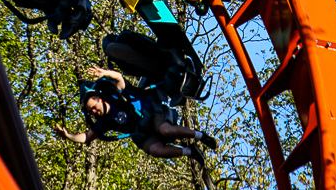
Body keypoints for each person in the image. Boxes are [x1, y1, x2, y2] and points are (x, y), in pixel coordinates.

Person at [54, 66, 216, 166]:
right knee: (155, 150)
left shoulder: (115, 93)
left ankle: (200, 136)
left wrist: (104, 73)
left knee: (166, 131)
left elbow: (118, 77)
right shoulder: (104, 121)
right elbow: (86, 137)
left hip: (150, 112)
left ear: (99, 97)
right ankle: (190, 151)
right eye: (91, 112)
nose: (94, 112)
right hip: (141, 132)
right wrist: (68, 135)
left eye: (93, 107)